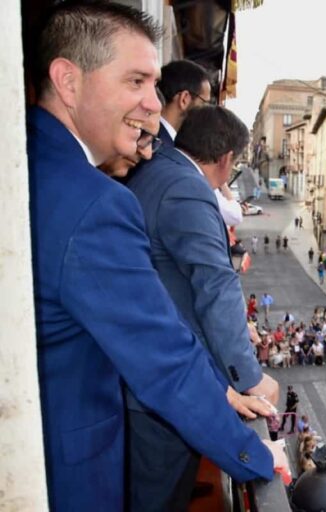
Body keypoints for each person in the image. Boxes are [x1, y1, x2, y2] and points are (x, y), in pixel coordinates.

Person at [27, 4, 285, 511]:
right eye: (137, 81)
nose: (154, 103)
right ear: (68, 81)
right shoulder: (93, 201)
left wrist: (222, 391)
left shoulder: (36, 161)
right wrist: (256, 457)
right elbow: (162, 357)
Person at [127, 105, 277, 508]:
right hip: (161, 385)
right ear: (227, 160)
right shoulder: (185, 187)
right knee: (159, 498)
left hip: (143, 376)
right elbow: (215, 284)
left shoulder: (155, 171)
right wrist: (249, 376)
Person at [154, 59, 243, 228]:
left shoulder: (163, 142)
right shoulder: (160, 149)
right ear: (185, 99)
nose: (208, 111)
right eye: (205, 102)